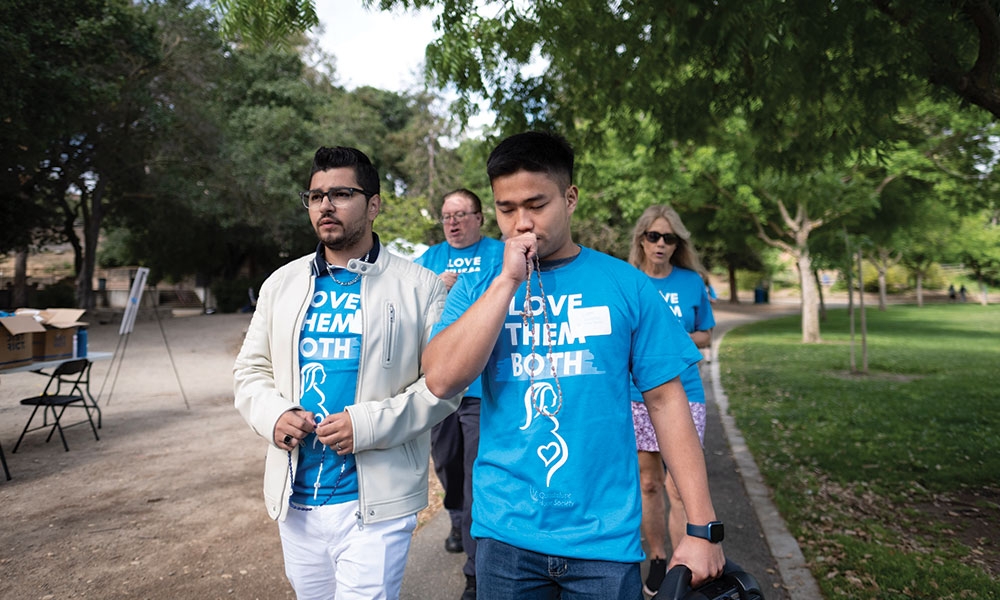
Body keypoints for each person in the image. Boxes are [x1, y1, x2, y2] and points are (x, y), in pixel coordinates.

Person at [423, 131, 725, 600]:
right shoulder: (479, 286)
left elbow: (667, 402)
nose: (522, 223)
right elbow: (441, 379)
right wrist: (506, 281)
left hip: (603, 542)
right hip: (505, 538)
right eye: (506, 209)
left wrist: (703, 528)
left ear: (570, 198)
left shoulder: (626, 285)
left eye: (536, 204)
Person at [233, 146, 461, 600]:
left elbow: (443, 387)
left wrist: (367, 424)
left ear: (373, 204)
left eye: (341, 193)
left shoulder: (420, 288)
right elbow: (250, 371)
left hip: (375, 502)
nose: (325, 205)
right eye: (316, 196)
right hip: (295, 499)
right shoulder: (281, 284)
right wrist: (274, 415)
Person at [415, 188, 504, 599]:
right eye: (447, 215)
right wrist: (434, 287)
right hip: (438, 386)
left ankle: (474, 570)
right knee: (446, 459)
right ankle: (454, 515)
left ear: (479, 218)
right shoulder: (427, 261)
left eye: (461, 214)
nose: (452, 222)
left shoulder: (498, 256)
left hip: (479, 387)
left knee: (474, 474)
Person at [627, 205, 716, 596]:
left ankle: (688, 561)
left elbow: (706, 335)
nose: (661, 244)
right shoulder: (629, 281)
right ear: (641, 240)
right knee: (648, 484)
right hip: (637, 396)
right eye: (653, 236)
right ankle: (659, 559)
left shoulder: (691, 282)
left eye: (669, 238)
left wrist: (666, 337)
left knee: (679, 486)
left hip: (687, 393)